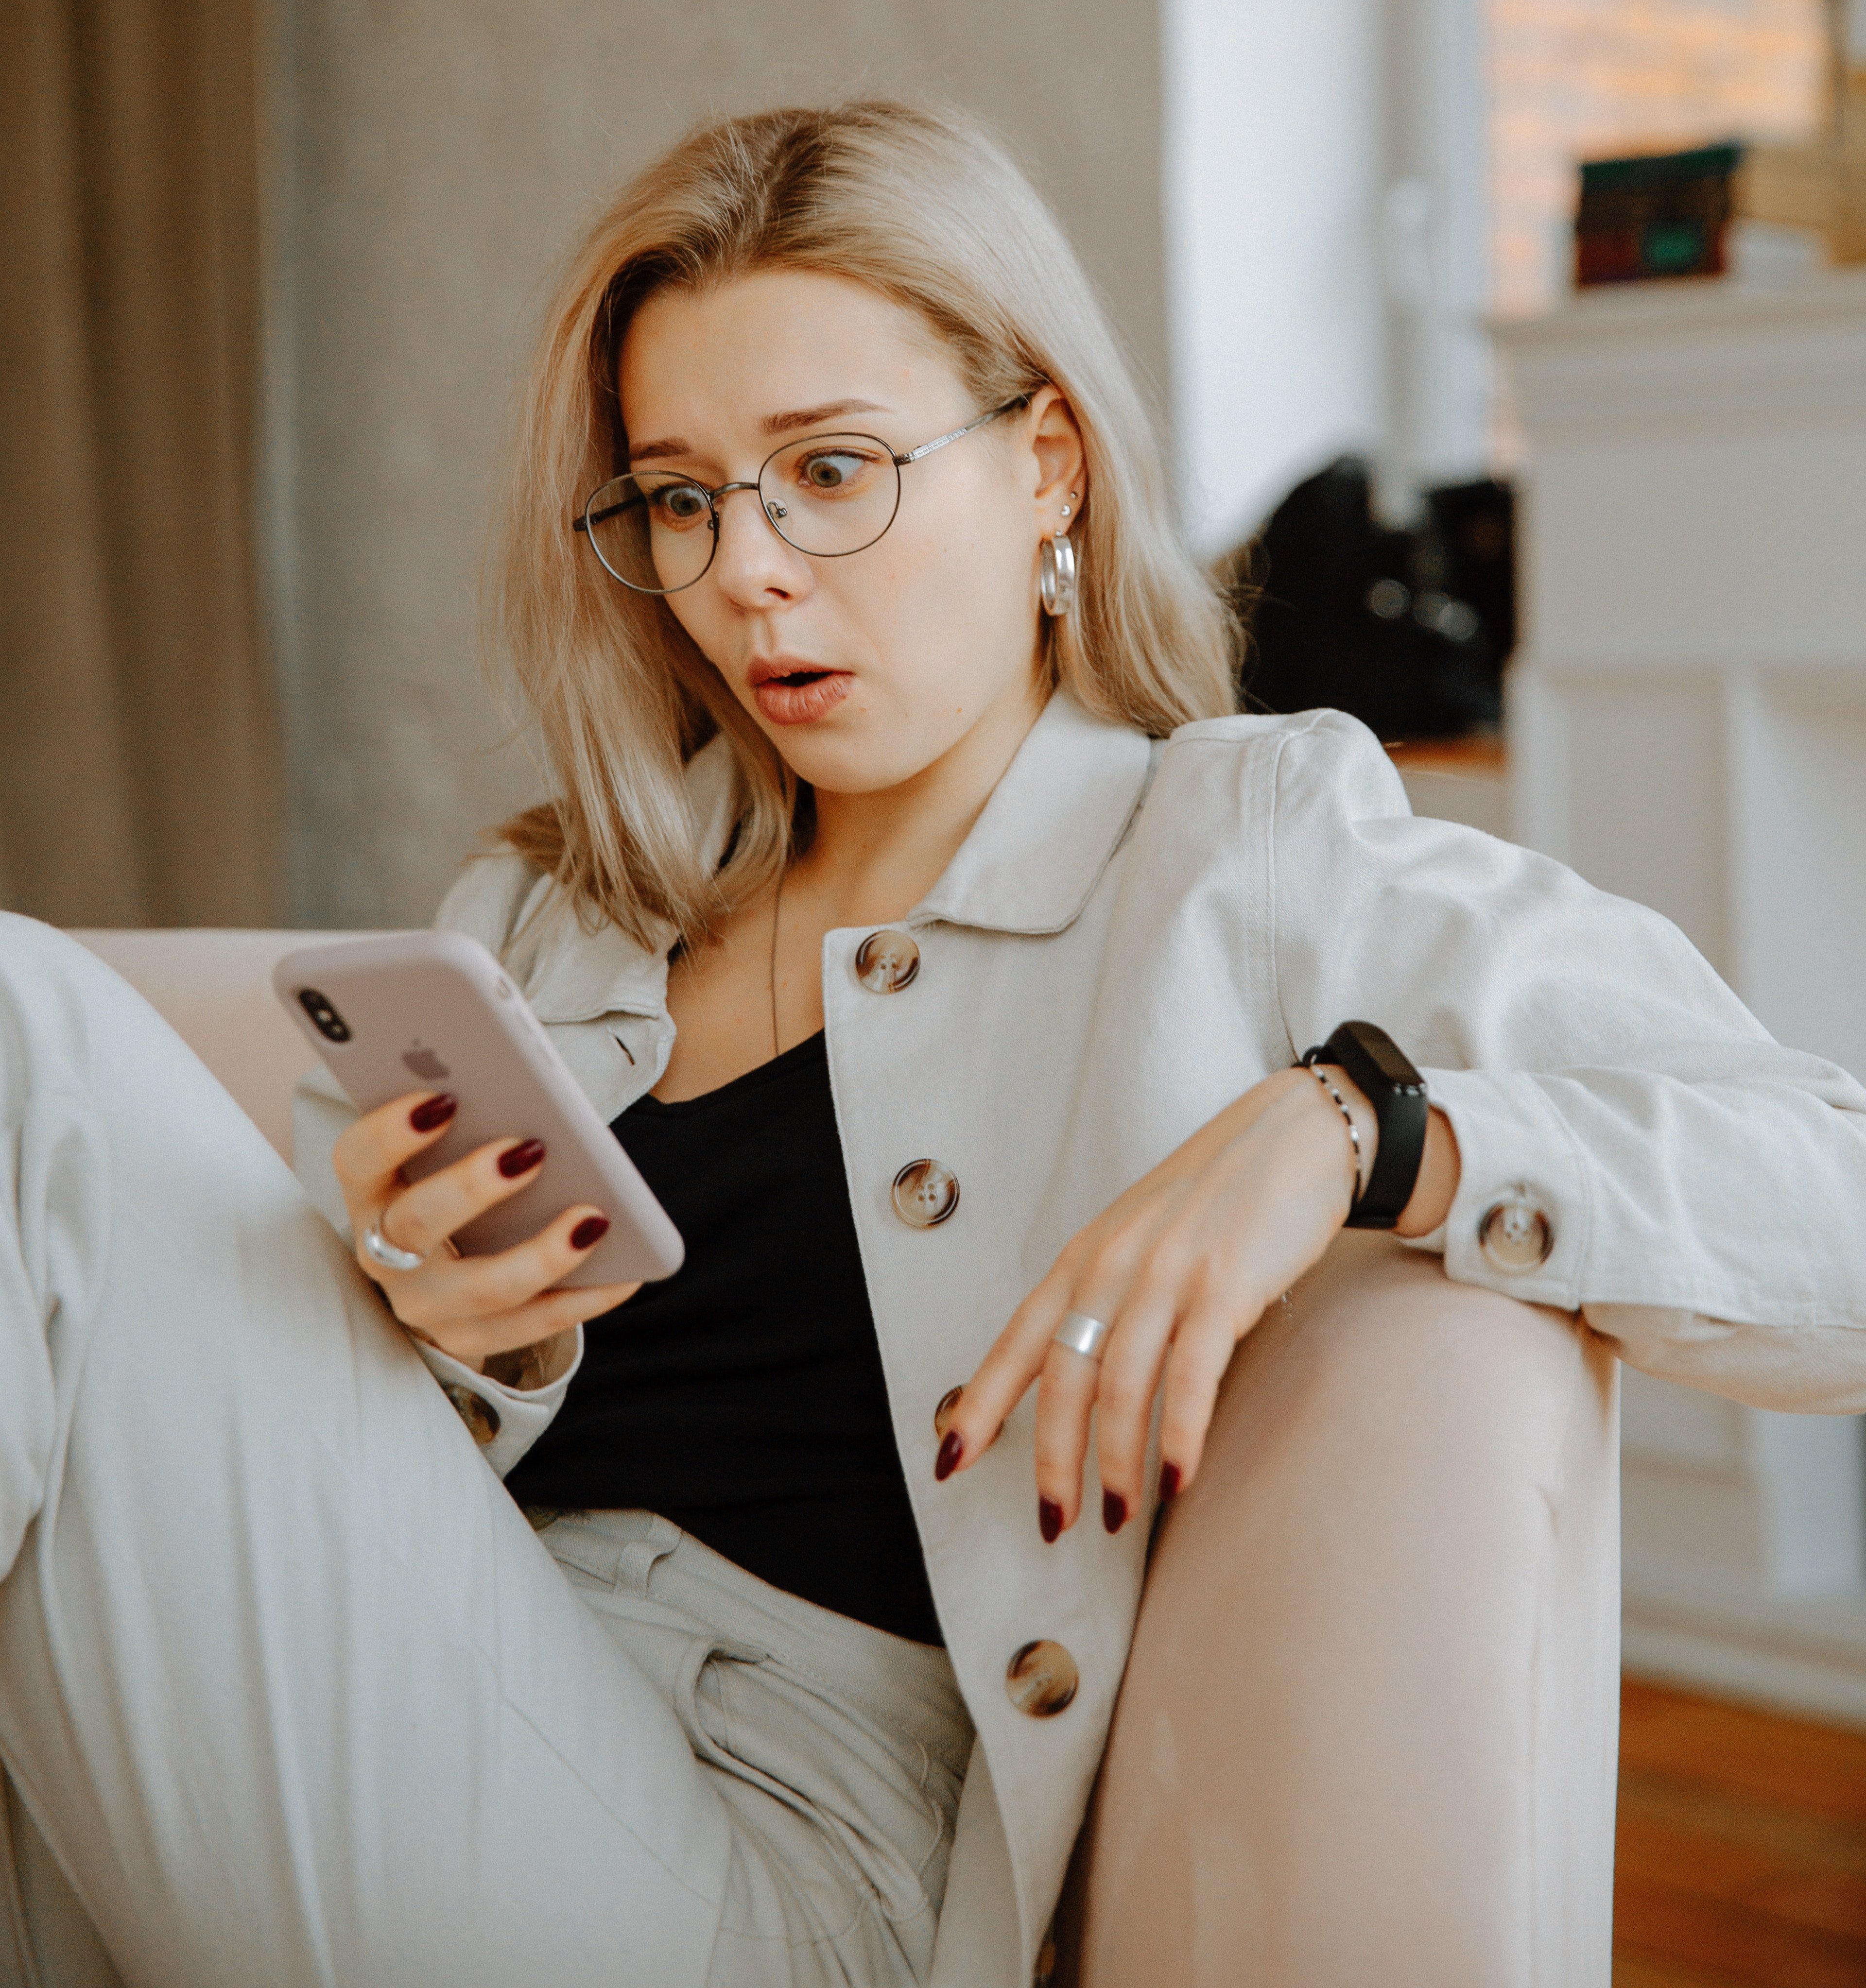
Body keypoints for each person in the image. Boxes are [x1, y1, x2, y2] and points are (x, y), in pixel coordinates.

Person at [4, 97, 1866, 1988]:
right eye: (682, 497)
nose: (749, 572)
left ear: (1046, 463)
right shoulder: (552, 914)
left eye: (830, 470)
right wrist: (441, 1333)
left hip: (777, 1858)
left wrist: (1351, 1131)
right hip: (421, 1700)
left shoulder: (1239, 847)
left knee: (24, 1036)